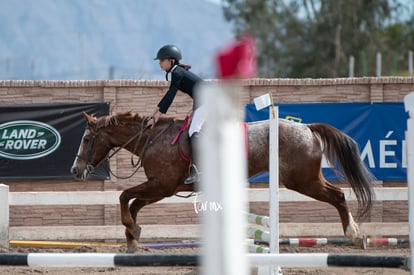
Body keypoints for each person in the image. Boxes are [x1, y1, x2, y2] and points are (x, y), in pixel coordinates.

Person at [148, 44, 204, 184]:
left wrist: (157, 117)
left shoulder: (177, 72)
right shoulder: (177, 71)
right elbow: (169, 95)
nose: (160, 63)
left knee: (193, 131)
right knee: (193, 128)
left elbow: (170, 95)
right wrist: (154, 113)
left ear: (171, 60)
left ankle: (199, 170)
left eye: (162, 60)